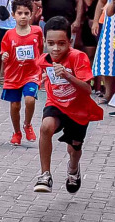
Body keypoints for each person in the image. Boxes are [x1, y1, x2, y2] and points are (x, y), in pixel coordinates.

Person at [32, 15, 102, 193]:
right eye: (51, 43)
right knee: (45, 127)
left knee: (74, 148)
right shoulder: (44, 60)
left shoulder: (79, 58)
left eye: (61, 43)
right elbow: (40, 74)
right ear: (45, 41)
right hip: (55, 103)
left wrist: (67, 75)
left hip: (78, 109)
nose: (55, 48)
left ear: (69, 41)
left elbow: (87, 89)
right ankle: (45, 175)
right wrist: (38, 81)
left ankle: (73, 168)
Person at [0, 0, 44, 145]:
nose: (23, 16)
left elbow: (40, 49)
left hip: (32, 74)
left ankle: (28, 124)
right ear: (13, 15)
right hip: (13, 76)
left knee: (30, 99)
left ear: (31, 14)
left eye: (26, 13)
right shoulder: (9, 34)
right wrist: (5, 56)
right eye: (20, 13)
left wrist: (41, 66)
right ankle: (17, 132)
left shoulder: (37, 31)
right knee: (15, 106)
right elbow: (4, 53)